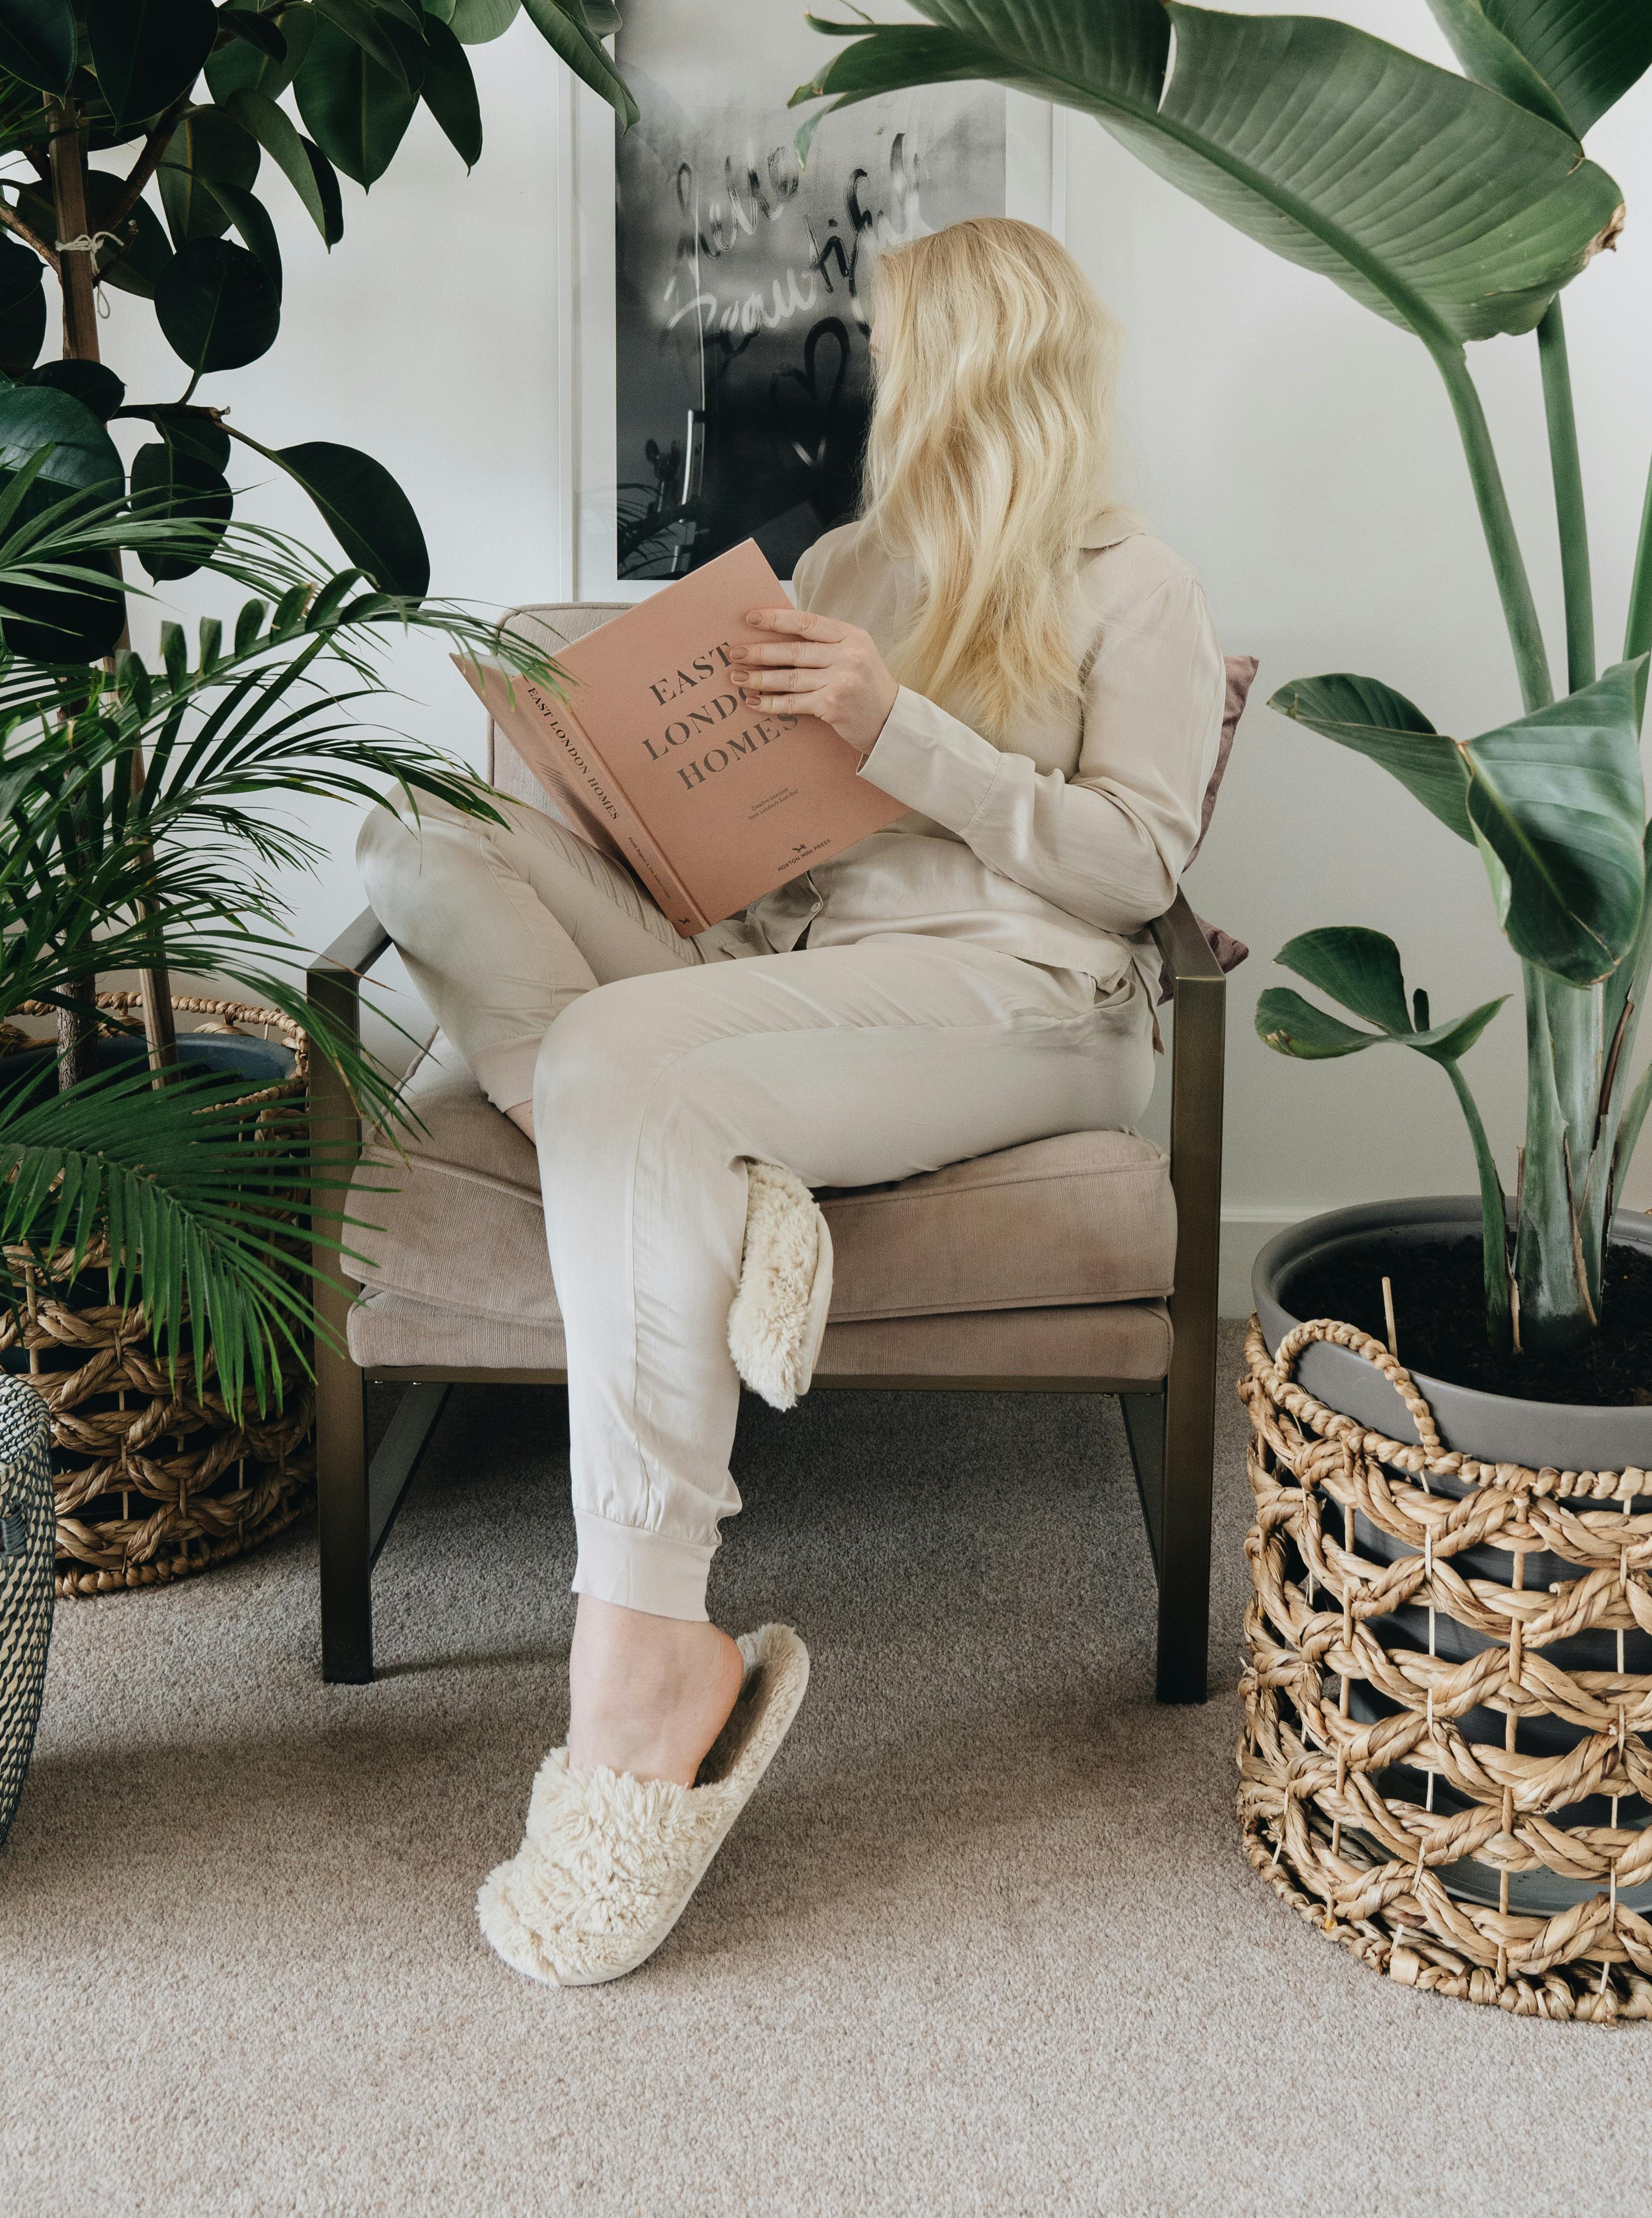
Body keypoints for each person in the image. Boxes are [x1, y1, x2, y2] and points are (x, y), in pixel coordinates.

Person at [357, 217, 1227, 1985]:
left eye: (911, 345)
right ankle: (730, 1185)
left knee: (609, 1068)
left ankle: (646, 1649)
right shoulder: (843, 562)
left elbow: (1139, 869)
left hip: (1022, 993)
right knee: (414, 837)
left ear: (985, 359)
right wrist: (637, 809)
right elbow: (781, 863)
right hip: (791, 980)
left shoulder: (1132, 578)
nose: (885, 377)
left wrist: (903, 729)